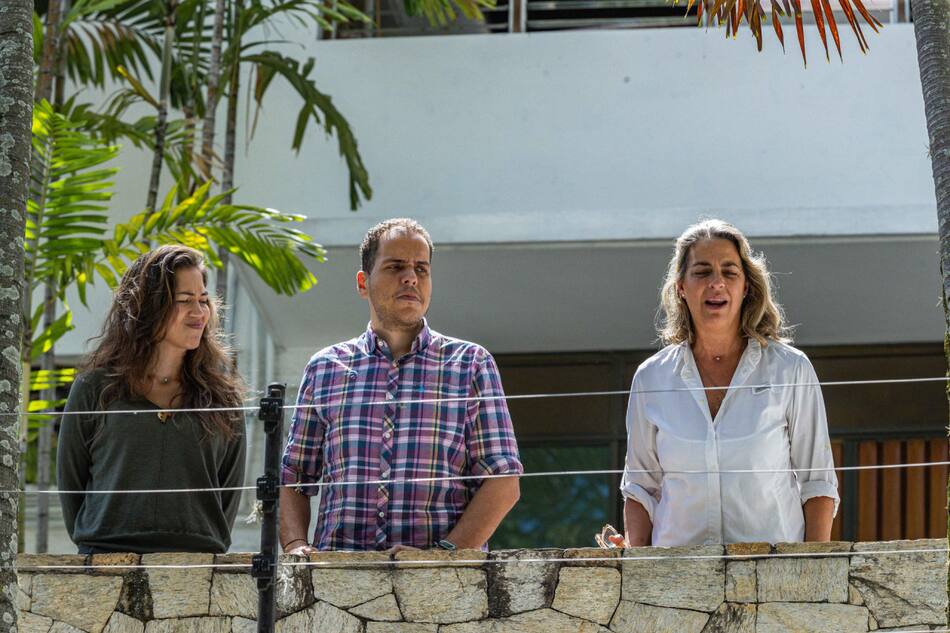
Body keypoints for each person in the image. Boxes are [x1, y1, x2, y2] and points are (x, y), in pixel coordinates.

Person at [279, 218, 522, 552]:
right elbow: (293, 475)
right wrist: (295, 546)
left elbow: (503, 481)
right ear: (363, 283)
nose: (411, 277)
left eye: (421, 269)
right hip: (339, 574)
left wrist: (440, 557)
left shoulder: (471, 365)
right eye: (395, 267)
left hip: (443, 578)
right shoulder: (325, 368)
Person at [616, 219, 838, 547]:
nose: (716, 282)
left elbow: (818, 483)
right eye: (702, 272)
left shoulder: (790, 369)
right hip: (677, 570)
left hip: (772, 566)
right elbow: (640, 488)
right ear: (681, 287)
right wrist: (636, 563)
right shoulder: (651, 378)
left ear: (745, 286)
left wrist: (813, 567)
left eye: (729, 272)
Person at [57, 245, 247, 554]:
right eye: (184, 300)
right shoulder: (95, 387)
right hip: (105, 559)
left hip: (198, 564)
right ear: (149, 306)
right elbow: (71, 483)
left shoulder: (223, 398)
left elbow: (228, 492)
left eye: (203, 300)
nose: (199, 313)